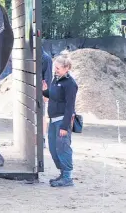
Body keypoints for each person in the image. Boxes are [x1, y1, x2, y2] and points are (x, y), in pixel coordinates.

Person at [42, 50, 78, 187]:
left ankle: (67, 177)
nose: (55, 70)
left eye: (58, 68)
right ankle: (63, 174)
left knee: (63, 148)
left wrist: (64, 126)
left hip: (62, 121)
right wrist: (44, 90)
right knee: (53, 148)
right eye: (55, 67)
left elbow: (70, 107)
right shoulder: (56, 79)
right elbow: (52, 96)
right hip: (52, 120)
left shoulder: (70, 84)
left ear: (66, 68)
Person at [41, 49, 53, 148]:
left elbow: (48, 78)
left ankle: (42, 138)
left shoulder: (46, 58)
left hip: (40, 91)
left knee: (41, 114)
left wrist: (46, 95)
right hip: (30, 89)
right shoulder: (30, 55)